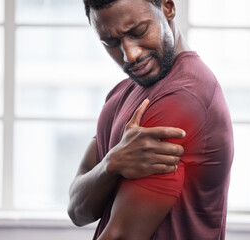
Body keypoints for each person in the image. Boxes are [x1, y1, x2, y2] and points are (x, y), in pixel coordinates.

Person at [67, 0, 234, 239]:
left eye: (138, 31)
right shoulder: (121, 93)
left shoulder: (179, 99)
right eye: (111, 42)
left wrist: (107, 167)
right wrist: (111, 164)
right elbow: (77, 210)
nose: (130, 55)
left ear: (168, 7)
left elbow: (121, 236)